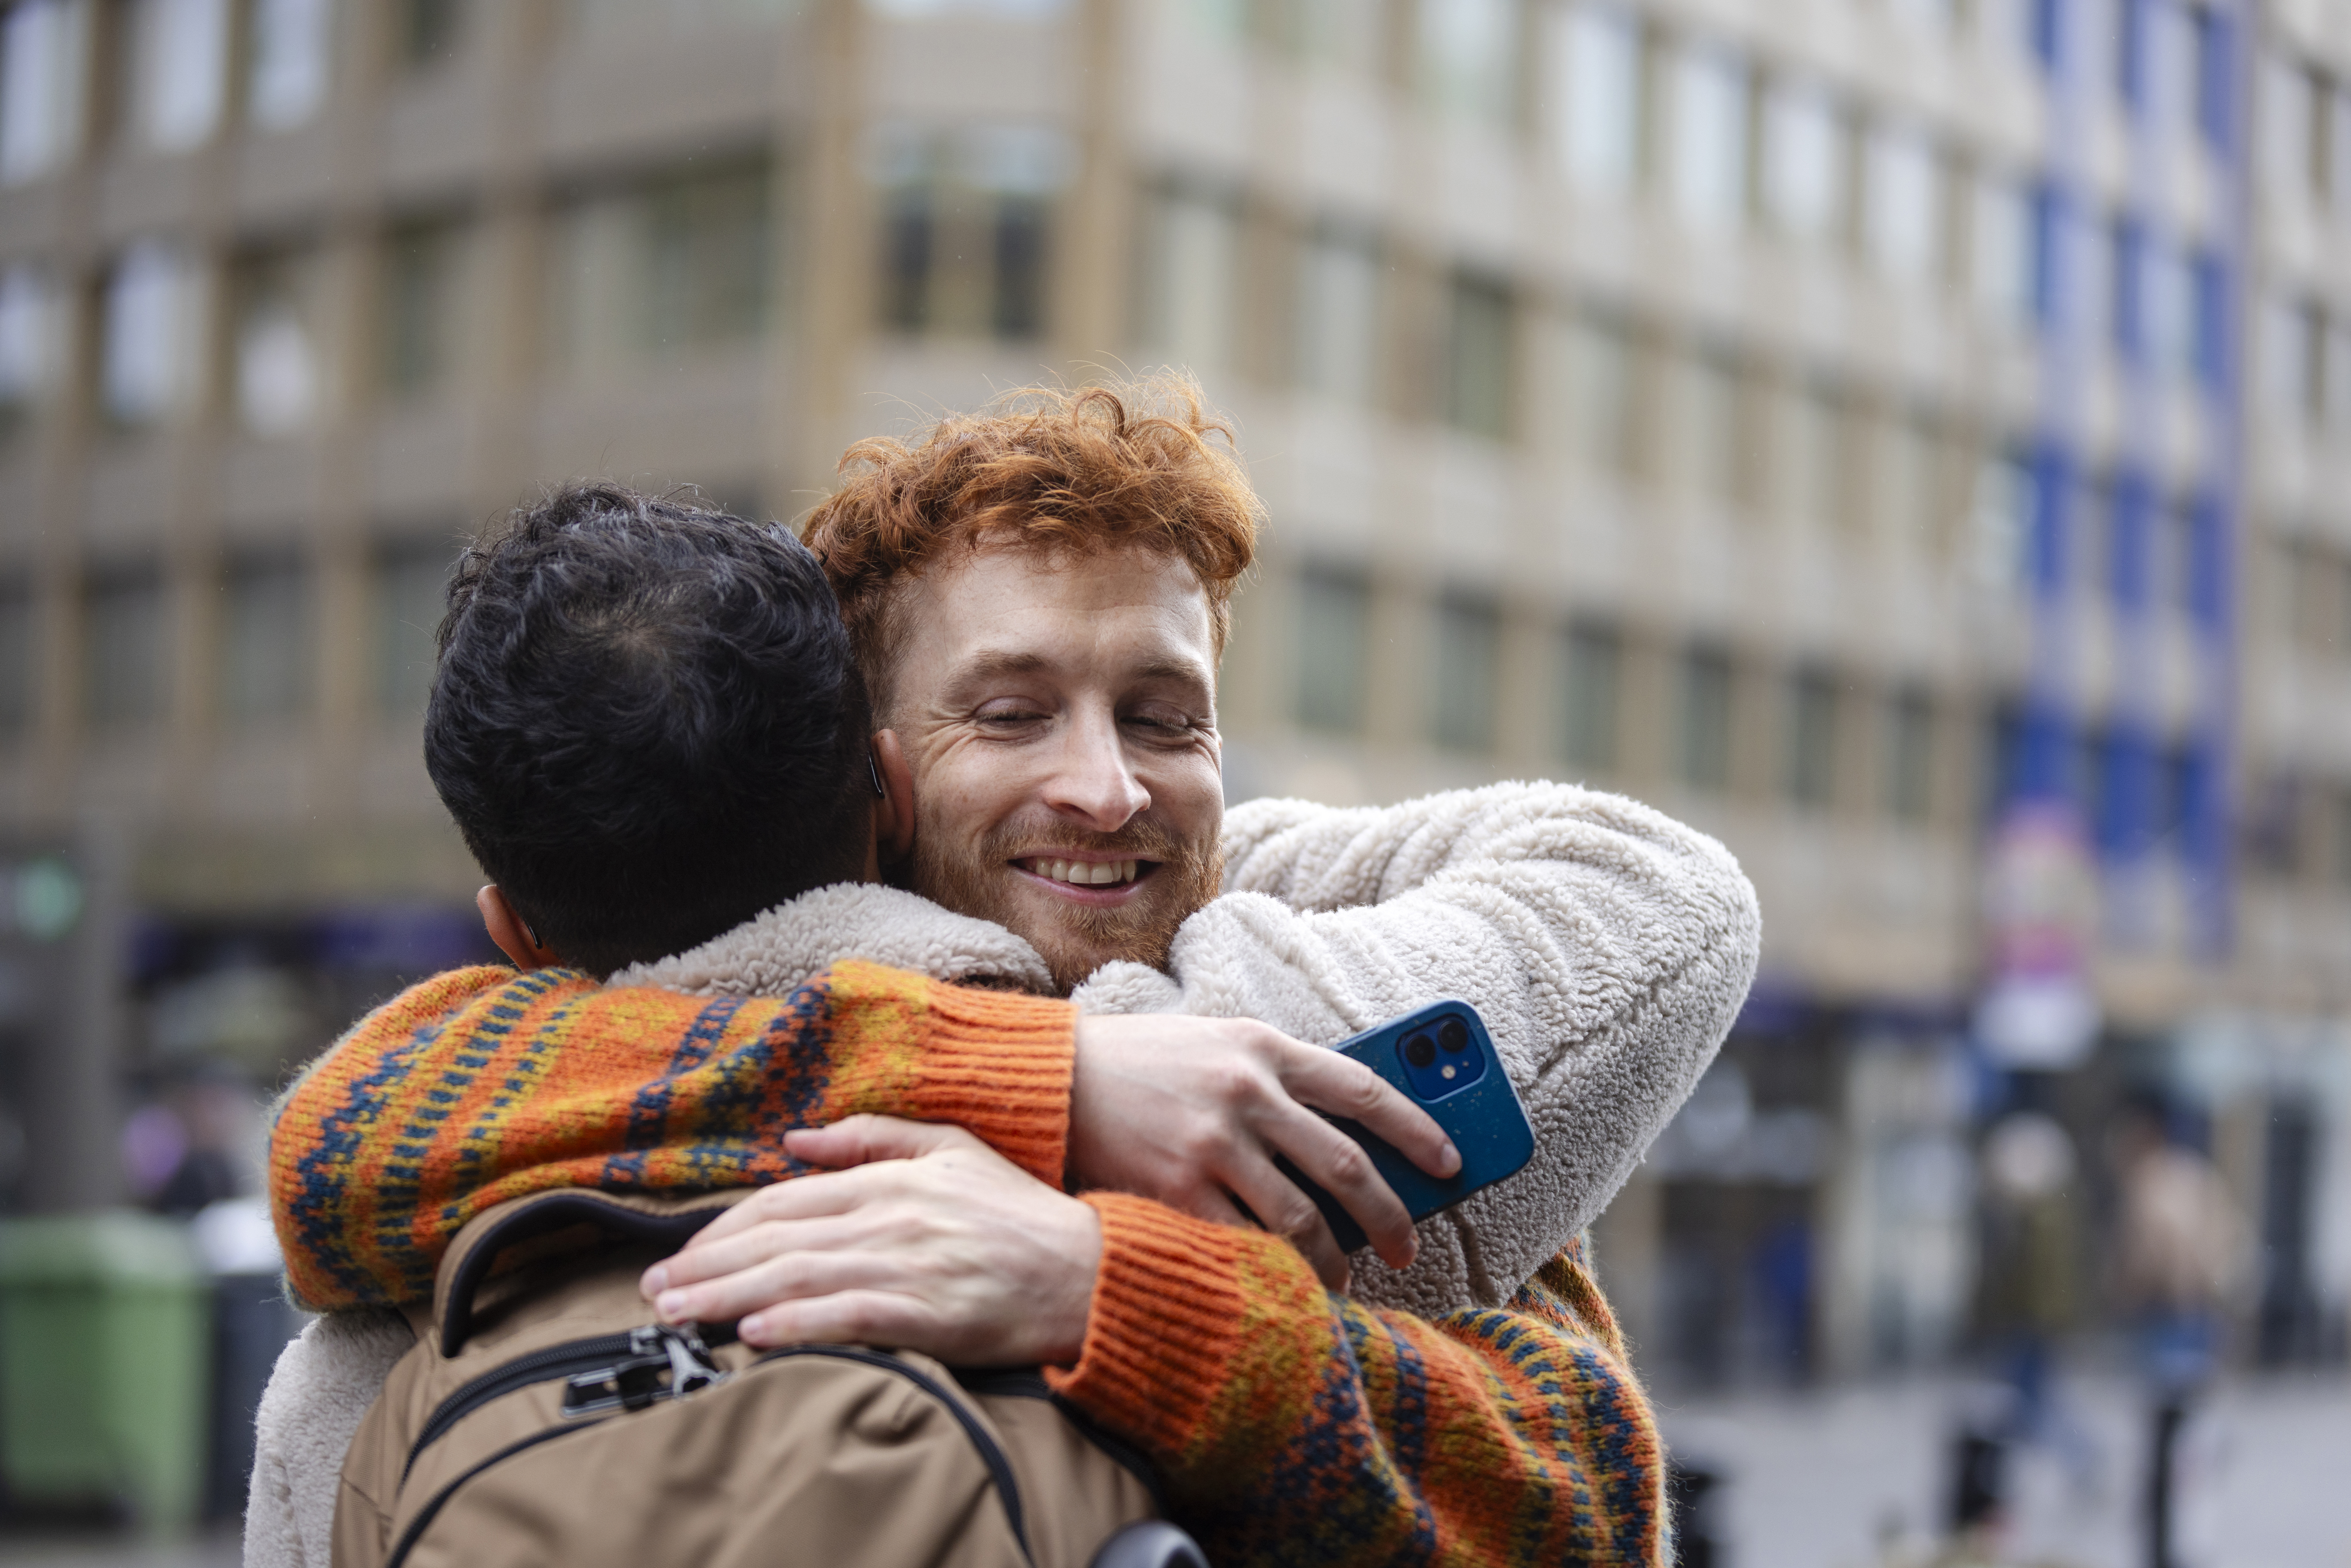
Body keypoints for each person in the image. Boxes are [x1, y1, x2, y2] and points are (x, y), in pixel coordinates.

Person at [252, 382, 1760, 1567]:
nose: (1106, 787)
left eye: (1167, 719)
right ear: (880, 784)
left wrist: (1112, 1280)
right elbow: (1581, 1490)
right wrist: (1062, 1095)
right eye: (1015, 711)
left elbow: (340, 1136)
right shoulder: (1263, 1058)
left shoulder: (527, 1121)